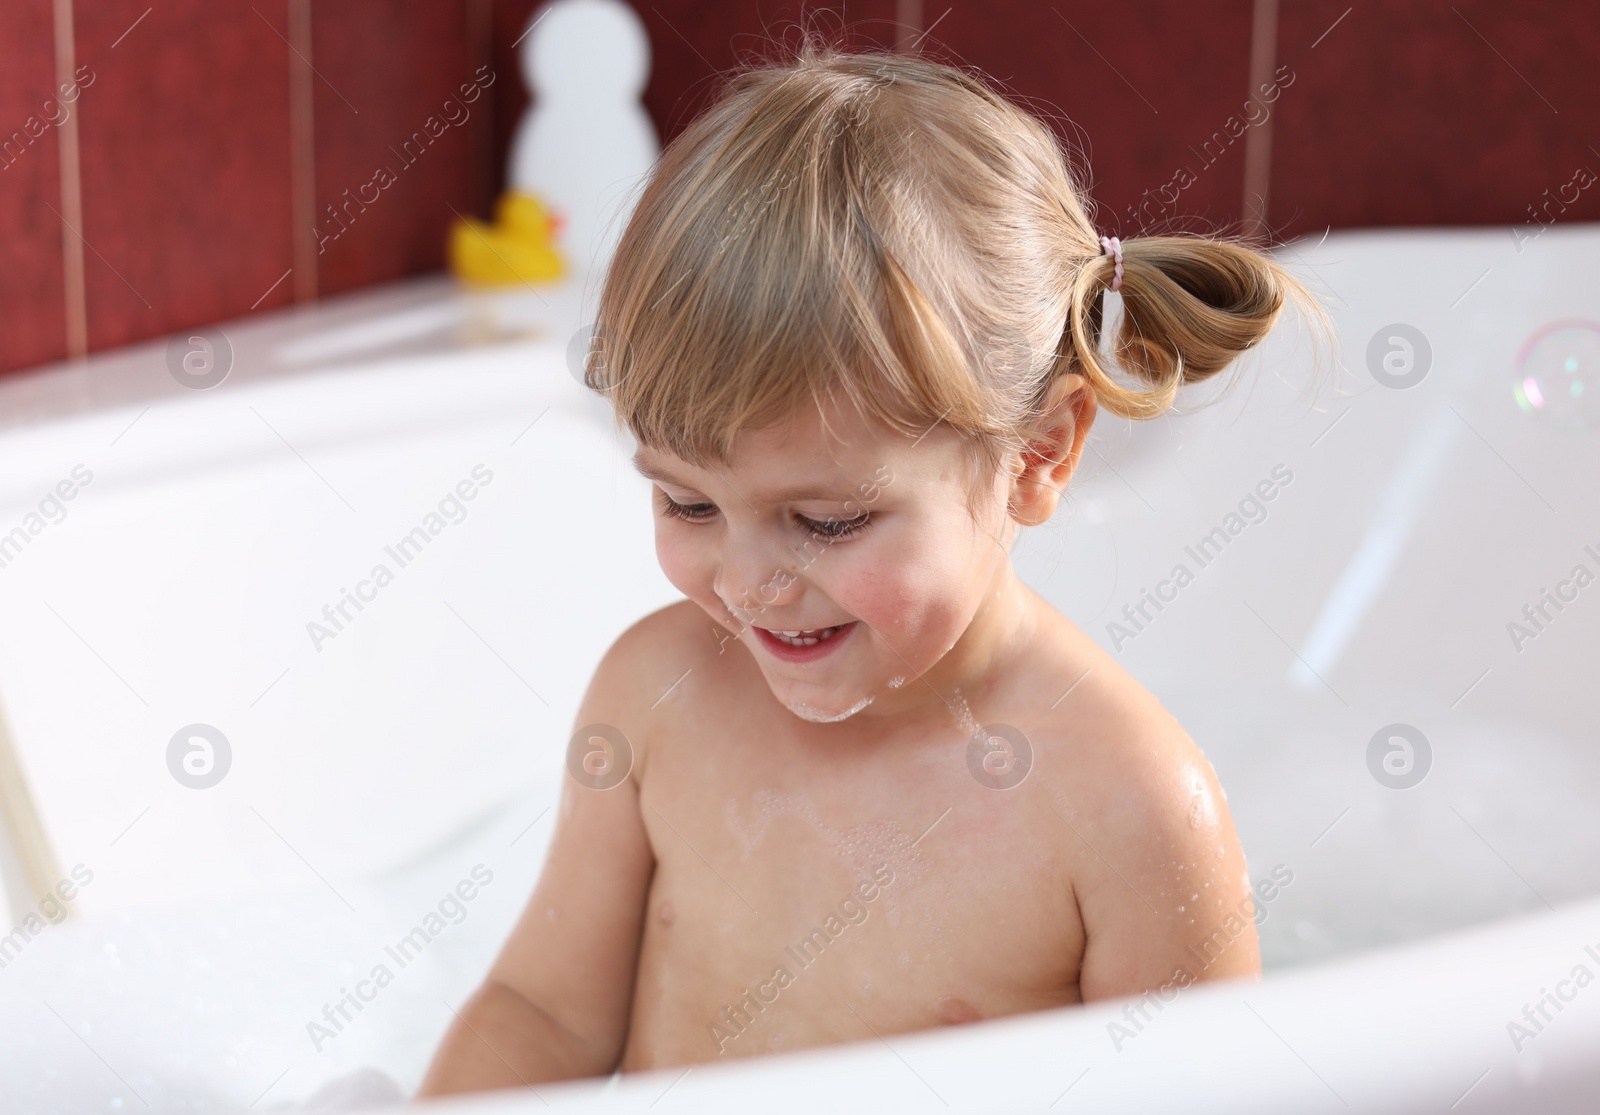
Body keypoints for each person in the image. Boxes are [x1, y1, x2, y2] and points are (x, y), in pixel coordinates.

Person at [419, 41, 1328, 1095]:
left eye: (827, 519)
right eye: (687, 501)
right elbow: (542, 1013)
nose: (750, 581)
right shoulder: (654, 694)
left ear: (1040, 453)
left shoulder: (1127, 808)